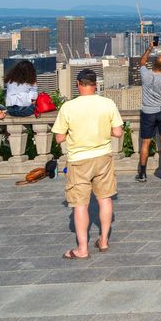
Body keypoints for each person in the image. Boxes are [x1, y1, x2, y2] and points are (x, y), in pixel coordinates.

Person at [50, 69, 123, 259]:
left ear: (78, 84)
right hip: (103, 156)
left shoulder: (68, 107)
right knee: (105, 198)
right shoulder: (107, 103)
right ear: (95, 85)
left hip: (79, 159)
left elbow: (59, 138)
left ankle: (82, 249)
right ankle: (104, 240)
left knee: (80, 204)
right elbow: (118, 132)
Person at [135, 42, 161, 182]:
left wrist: (149, 49)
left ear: (154, 63)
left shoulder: (145, 74)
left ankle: (142, 173)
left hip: (147, 112)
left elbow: (142, 62)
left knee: (145, 142)